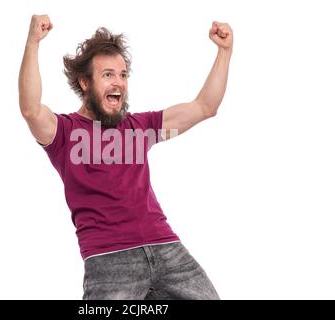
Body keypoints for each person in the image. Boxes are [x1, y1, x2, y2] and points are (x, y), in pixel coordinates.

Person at [18, 14, 233, 300]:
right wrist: (33, 42)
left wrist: (224, 51)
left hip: (166, 247)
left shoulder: (141, 127)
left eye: (122, 75)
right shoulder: (64, 133)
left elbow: (205, 106)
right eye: (107, 75)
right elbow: (31, 109)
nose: (118, 83)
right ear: (85, 82)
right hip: (110, 258)